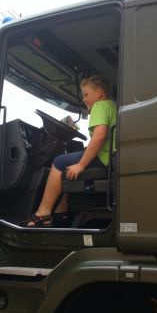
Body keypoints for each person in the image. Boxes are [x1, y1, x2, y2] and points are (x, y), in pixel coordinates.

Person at [25, 75, 117, 227]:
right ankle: (62, 211)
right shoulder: (112, 105)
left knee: (59, 162)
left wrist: (81, 165)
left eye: (86, 94)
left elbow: (100, 137)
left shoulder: (99, 106)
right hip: (111, 156)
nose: (84, 99)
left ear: (99, 93)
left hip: (104, 157)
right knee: (70, 161)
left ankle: (43, 213)